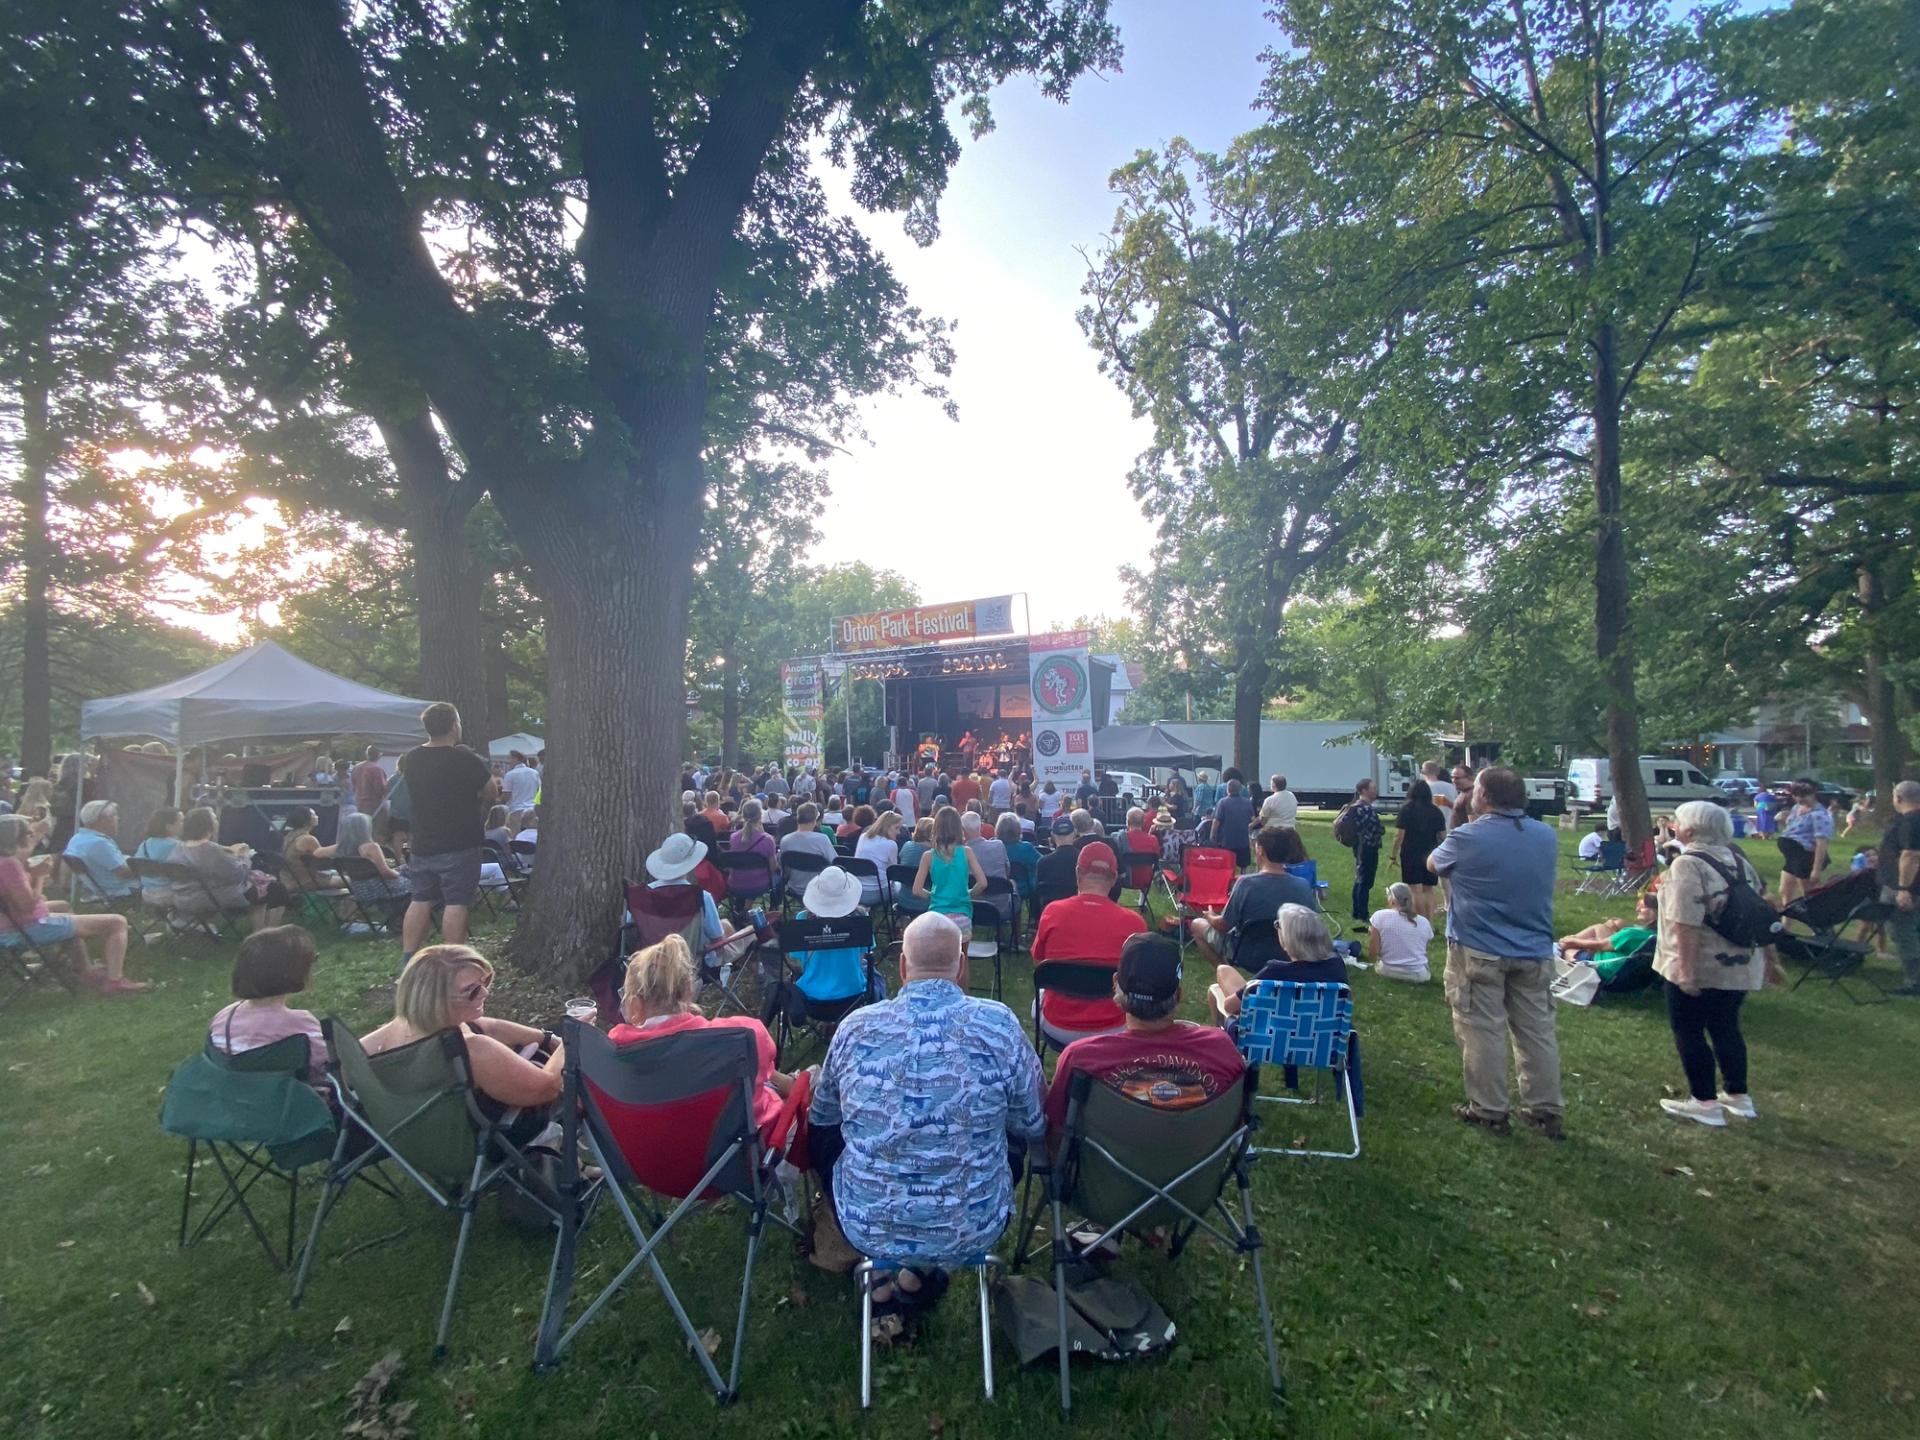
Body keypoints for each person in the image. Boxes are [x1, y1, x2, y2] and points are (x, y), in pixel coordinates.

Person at [809, 912, 1044, 1306]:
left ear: (902, 965)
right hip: (974, 1226)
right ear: (962, 966)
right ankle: (917, 1272)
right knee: (1012, 1132)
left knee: (827, 1137)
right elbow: (1033, 1123)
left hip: (867, 1224)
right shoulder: (1000, 1025)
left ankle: (895, 1268)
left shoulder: (854, 1028)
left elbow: (822, 1119)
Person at [1428, 768, 1564, 1140]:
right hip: (1535, 949)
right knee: (1537, 1031)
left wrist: (1458, 820)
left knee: (1481, 1030)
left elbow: (1434, 864)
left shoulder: (1467, 837)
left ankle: (1489, 1109)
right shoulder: (1544, 835)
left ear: (1483, 796)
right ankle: (1545, 1108)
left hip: (1479, 949)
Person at [611, 933, 804, 1146]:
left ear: (635, 1006)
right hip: (727, 1157)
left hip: (652, 1160)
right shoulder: (739, 1034)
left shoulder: (616, 1049)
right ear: (688, 992)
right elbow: (766, 1056)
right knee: (789, 1091)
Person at [361, 945, 564, 1144]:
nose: (485, 993)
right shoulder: (475, 1049)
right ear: (436, 1000)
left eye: (484, 982)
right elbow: (548, 1088)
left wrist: (546, 1038)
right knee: (563, 1071)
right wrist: (573, 1041)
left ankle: (566, 1164)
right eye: (471, 990)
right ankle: (560, 1160)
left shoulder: (403, 1026)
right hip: (480, 1141)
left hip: (420, 1137)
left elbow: (487, 1026)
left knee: (540, 1052)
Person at [1044, 932, 1246, 1131]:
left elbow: (1056, 1131)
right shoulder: (1223, 1050)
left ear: (1115, 984)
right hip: (1202, 1161)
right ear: (1178, 995)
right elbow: (1236, 1122)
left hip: (1105, 1163)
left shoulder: (1080, 1059)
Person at [1654, 801, 1774, 1127]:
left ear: (1689, 829)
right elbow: (1762, 907)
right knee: (1726, 1027)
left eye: (1676, 821)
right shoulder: (1739, 860)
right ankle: (1738, 1095)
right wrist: (1771, 962)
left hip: (1702, 962)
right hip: (1740, 962)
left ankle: (1704, 1101)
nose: (1673, 826)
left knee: (1689, 1030)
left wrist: (1686, 972)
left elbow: (1684, 923)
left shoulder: (1687, 866)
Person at [0, 813, 142, 991]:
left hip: (10, 923)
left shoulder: (5, 861)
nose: (31, 837)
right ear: (16, 838)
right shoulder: (10, 865)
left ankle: (83, 970)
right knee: (117, 922)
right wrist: (40, 877)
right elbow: (27, 906)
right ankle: (115, 982)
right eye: (28, 834)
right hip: (25, 928)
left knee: (65, 910)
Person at [398, 703, 495, 956]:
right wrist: (478, 811)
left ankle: (408, 957)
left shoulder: (412, 758)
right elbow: (491, 790)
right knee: (456, 901)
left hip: (423, 840)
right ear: (453, 726)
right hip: (460, 841)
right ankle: (454, 959)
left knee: (420, 899)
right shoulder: (464, 758)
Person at [1030, 840, 1144, 1042]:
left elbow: (1039, 963)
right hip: (1113, 1027)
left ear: (1077, 873)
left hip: (1058, 1024)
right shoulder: (1135, 924)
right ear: (1114, 878)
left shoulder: (1053, 912)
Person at [1189, 825, 1320, 970]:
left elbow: (1223, 926)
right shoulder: (1302, 885)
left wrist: (1210, 916)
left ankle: (1225, 972)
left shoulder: (1246, 884)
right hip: (1291, 953)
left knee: (1196, 925)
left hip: (1248, 953)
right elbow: (1311, 924)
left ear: (1260, 850)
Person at [209, 925, 328, 1078]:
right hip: (292, 1097)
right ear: (293, 971)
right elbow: (325, 1064)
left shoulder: (223, 1018)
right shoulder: (299, 1023)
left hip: (238, 1094)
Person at [1210, 902, 1348, 1025]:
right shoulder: (1336, 966)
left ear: (1289, 938)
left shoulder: (1275, 973)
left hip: (1266, 1044)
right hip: (1322, 1045)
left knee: (1222, 976)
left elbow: (1230, 1007)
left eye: (1278, 925)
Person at [174, 806, 292, 934]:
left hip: (184, 897)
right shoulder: (212, 852)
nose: (217, 821)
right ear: (209, 825)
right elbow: (239, 875)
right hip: (214, 896)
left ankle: (261, 930)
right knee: (276, 889)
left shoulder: (179, 849)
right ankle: (267, 932)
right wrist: (244, 856)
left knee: (261, 887)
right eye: (215, 818)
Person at [913, 805, 987, 940]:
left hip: (937, 914)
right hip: (962, 915)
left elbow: (917, 890)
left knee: (938, 958)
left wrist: (932, 896)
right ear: (959, 828)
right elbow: (982, 883)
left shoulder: (928, 856)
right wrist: (968, 894)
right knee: (962, 957)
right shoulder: (967, 852)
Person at [1558, 891, 1659, 985]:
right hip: (1633, 979)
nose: (1638, 909)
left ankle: (1560, 949)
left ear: (1655, 913)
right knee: (1596, 932)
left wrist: (1571, 941)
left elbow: (1600, 945)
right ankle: (1563, 944)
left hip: (1608, 971)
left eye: (1644, 907)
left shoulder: (1632, 934)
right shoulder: (1657, 935)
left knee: (1569, 950)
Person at [1877, 780, 1920, 996]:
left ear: (1899, 798)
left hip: (1906, 888)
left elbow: (1911, 855)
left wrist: (1904, 888)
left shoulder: (1911, 821)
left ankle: (1915, 981)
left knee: (1902, 932)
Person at [1391, 779, 1445, 919]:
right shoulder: (1436, 811)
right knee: (1428, 889)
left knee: (1415, 889)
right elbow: (1442, 835)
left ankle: (1418, 920)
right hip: (1430, 853)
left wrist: (1393, 855)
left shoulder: (1406, 810)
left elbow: (1399, 835)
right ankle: (1429, 922)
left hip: (1411, 853)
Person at [63, 800, 137, 900]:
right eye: (114, 815)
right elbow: (124, 873)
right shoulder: (99, 843)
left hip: (97, 887)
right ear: (102, 819)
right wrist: (144, 868)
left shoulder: (76, 839)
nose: (118, 819)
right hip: (118, 889)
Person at [1776, 778, 1833, 905]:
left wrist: (1816, 870)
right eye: (1796, 795)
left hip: (1805, 858)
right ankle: (1785, 924)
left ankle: (1820, 922)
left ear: (1813, 794)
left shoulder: (1819, 815)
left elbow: (1821, 843)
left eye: (1803, 795)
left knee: (1809, 896)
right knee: (1785, 892)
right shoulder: (1797, 808)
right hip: (1792, 857)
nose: (1800, 799)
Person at [1368, 882, 1434, 982]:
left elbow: (1373, 952)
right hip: (1418, 974)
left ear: (1392, 899)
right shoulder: (1424, 922)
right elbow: (1423, 949)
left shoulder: (1379, 916)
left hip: (1387, 970)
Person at [1344, 779, 1386, 924]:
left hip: (1360, 846)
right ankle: (1362, 913)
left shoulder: (1356, 807)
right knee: (1365, 881)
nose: (1375, 790)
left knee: (1360, 878)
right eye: (1372, 788)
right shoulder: (1365, 808)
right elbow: (1378, 828)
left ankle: (1357, 911)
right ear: (1363, 790)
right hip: (1368, 847)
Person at [726, 798, 779, 901]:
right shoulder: (767, 840)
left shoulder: (733, 837)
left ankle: (744, 907)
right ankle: (774, 906)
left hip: (736, 883)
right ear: (760, 815)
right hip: (759, 884)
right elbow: (772, 868)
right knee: (780, 878)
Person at [132, 807, 183, 911]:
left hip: (147, 893)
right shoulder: (177, 846)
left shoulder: (144, 844)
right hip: (170, 894)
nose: (185, 824)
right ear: (169, 826)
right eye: (181, 821)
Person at [281, 807, 342, 894]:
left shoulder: (289, 836)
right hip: (305, 881)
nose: (317, 816)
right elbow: (324, 856)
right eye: (314, 814)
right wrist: (343, 845)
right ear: (306, 820)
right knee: (351, 881)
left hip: (289, 879)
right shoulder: (307, 839)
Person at [851, 810, 902, 906]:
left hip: (858, 890)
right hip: (879, 892)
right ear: (887, 827)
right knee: (903, 889)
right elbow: (893, 873)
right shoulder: (891, 844)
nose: (899, 832)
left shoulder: (863, 837)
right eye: (897, 828)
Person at [1212, 778, 1255, 869]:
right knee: (1243, 864)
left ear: (1227, 789)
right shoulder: (1247, 803)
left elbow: (1216, 821)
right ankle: (1242, 877)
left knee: (1226, 864)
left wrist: (1213, 835)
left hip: (1226, 841)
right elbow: (1253, 819)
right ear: (1240, 789)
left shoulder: (1223, 802)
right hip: (1242, 841)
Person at [781, 801, 839, 867]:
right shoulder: (822, 840)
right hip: (817, 876)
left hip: (792, 877)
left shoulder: (785, 840)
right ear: (815, 820)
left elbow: (781, 865)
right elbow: (834, 862)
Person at [349, 747, 389, 818]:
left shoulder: (357, 767)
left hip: (359, 804)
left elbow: (353, 785)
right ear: (379, 755)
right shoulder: (377, 769)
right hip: (374, 805)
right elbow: (380, 789)